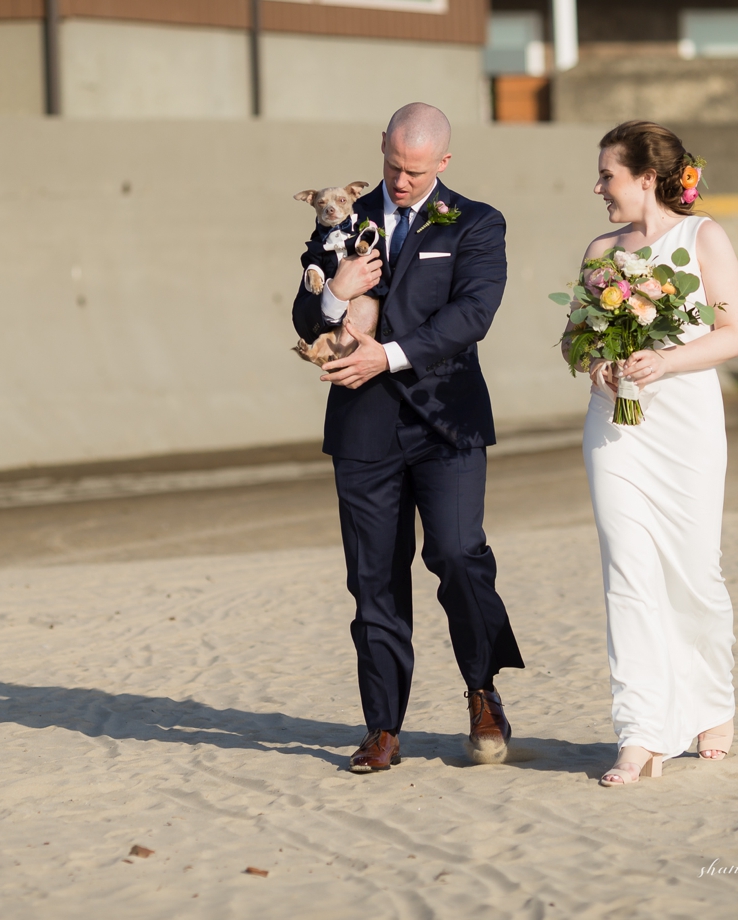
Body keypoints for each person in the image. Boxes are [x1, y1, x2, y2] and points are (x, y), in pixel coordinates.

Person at [290, 103, 524, 774]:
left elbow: (471, 314)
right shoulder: (344, 216)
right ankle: (383, 728)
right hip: (362, 427)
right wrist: (335, 293)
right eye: (392, 165)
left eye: (415, 171)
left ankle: (482, 689)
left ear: (443, 163)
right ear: (381, 151)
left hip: (446, 421)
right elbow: (307, 312)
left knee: (458, 555)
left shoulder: (477, 222)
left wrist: (385, 356)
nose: (399, 180)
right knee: (373, 581)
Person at [567, 121, 738, 787]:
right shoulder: (600, 249)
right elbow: (577, 337)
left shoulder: (705, 238)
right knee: (627, 572)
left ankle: (711, 701)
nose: (599, 188)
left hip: (686, 424)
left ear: (647, 178)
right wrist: (596, 365)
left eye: (607, 175)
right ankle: (640, 733)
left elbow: (736, 334)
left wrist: (664, 361)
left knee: (694, 570)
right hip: (614, 429)